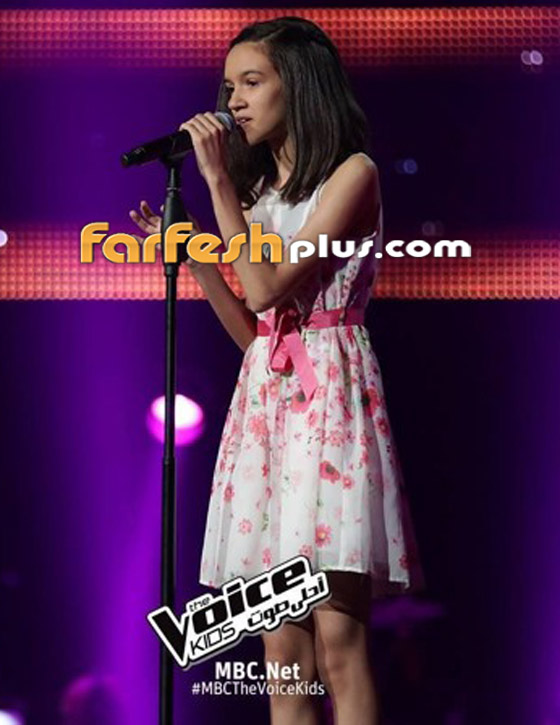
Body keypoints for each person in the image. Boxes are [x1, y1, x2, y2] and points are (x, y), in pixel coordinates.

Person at [130, 16, 424, 725]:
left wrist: (216, 181)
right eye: (228, 85)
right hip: (265, 416)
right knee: (282, 656)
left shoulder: (353, 175)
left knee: (338, 644)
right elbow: (255, 334)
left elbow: (266, 288)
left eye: (252, 82)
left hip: (331, 411)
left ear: (298, 85)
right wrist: (197, 259)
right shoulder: (257, 196)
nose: (233, 101)